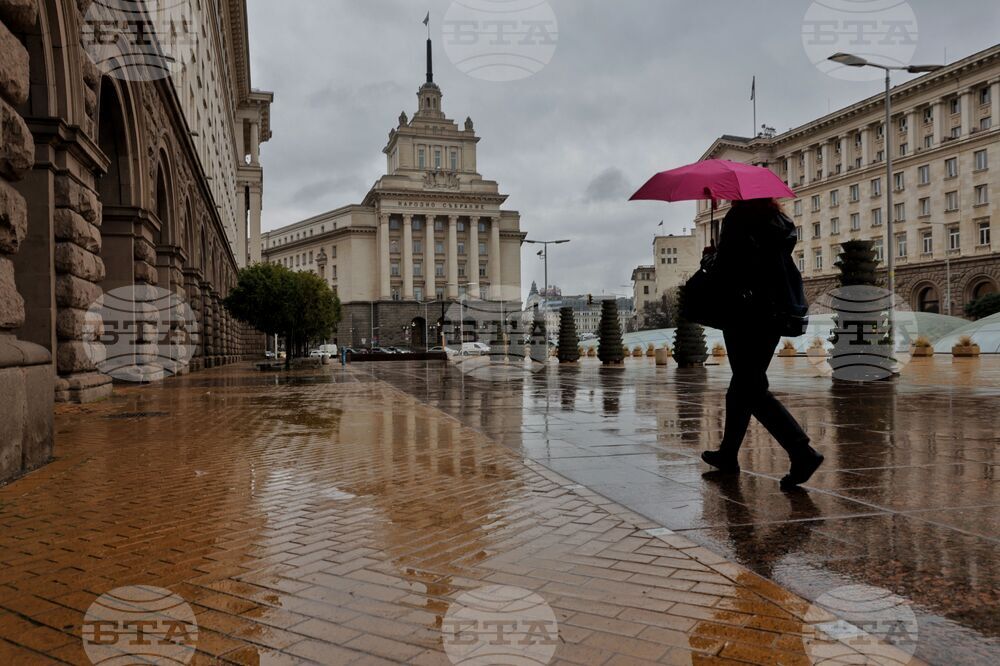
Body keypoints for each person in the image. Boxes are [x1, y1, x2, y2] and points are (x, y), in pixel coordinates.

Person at [700, 197, 824, 488]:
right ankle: (728, 454)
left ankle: (801, 451)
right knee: (742, 386)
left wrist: (710, 258)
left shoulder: (739, 218)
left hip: (745, 313)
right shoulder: (778, 221)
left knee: (751, 388)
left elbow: (732, 269)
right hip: (774, 312)